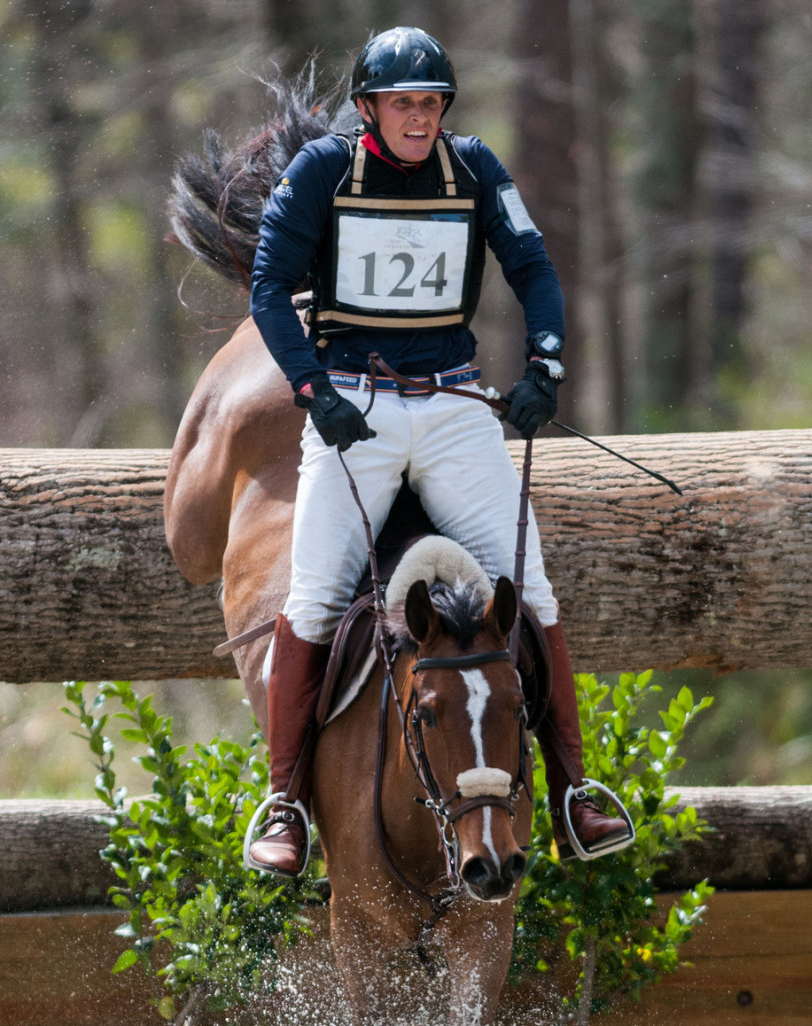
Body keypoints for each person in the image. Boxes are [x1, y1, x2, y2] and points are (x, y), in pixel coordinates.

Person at [246, 26, 631, 877]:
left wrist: (547, 364)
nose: (419, 117)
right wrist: (315, 390)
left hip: (456, 405)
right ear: (367, 109)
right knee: (311, 600)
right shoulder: (323, 174)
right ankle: (283, 804)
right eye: (403, 103)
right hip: (356, 408)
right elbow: (269, 289)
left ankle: (572, 790)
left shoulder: (476, 169)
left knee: (531, 589)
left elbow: (532, 266)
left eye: (431, 103)